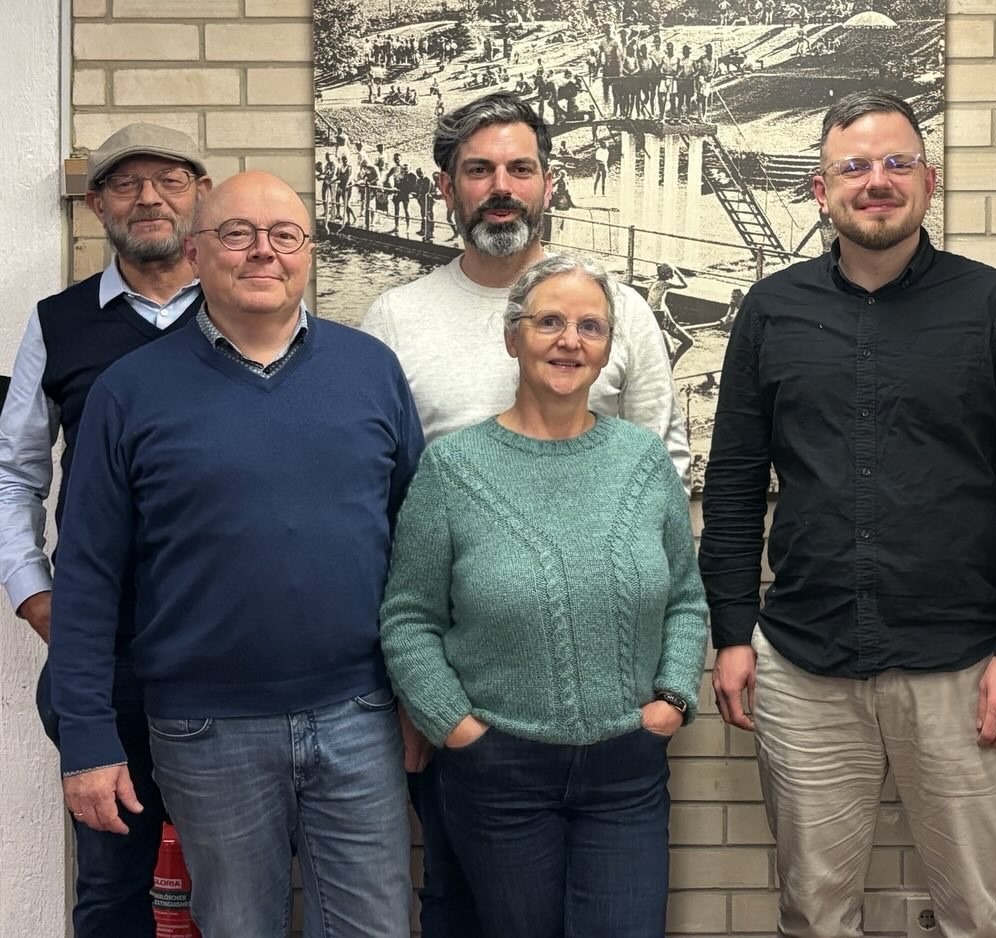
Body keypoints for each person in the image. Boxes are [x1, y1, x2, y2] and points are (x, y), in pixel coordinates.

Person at [700, 91, 996, 938]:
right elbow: (733, 483)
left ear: (928, 182)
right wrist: (732, 631)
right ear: (821, 190)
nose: (877, 181)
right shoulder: (771, 310)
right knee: (813, 916)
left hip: (964, 669)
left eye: (897, 163)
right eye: (855, 166)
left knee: (982, 917)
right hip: (804, 665)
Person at [49, 172, 423, 936]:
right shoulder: (129, 390)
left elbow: (416, 548)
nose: (263, 252)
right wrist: (85, 737)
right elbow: (86, 575)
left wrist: (421, 696)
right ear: (195, 253)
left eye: (285, 235)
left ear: (309, 252)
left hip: (360, 715)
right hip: (205, 729)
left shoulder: (372, 371)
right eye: (237, 234)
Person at [360, 91, 689, 937]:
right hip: (473, 704)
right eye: (479, 169)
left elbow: (660, 466)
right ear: (447, 187)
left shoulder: (622, 307)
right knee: (463, 909)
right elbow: (380, 509)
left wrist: (665, 693)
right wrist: (432, 704)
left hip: (614, 725)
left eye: (520, 168)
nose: (501, 186)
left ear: (549, 181)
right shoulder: (396, 318)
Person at [0, 123, 209, 938]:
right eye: (126, 183)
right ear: (97, 205)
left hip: (224, 649)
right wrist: (31, 591)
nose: (148, 198)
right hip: (105, 655)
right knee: (113, 885)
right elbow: (16, 471)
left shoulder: (245, 310)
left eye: (169, 180)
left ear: (200, 196)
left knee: (240, 879)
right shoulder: (58, 323)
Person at [646, 262, 694, 367]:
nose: (672, 275)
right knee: (684, 344)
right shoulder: (664, 284)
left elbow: (655, 304)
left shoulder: (654, 284)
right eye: (671, 273)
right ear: (666, 274)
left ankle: (669, 366)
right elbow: (684, 285)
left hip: (657, 317)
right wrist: (677, 272)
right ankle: (671, 367)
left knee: (678, 347)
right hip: (659, 318)